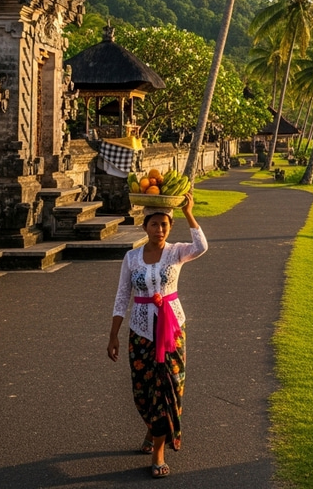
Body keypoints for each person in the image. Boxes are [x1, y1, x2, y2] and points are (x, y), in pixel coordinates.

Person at [107, 192, 207, 479]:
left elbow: (201, 246)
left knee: (168, 386)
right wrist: (113, 335)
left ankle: (159, 452)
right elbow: (122, 296)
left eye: (164, 224)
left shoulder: (177, 252)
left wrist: (189, 213)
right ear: (145, 227)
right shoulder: (132, 258)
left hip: (172, 330)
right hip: (141, 331)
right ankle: (152, 429)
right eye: (154, 224)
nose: (159, 229)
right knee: (143, 389)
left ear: (170, 226)